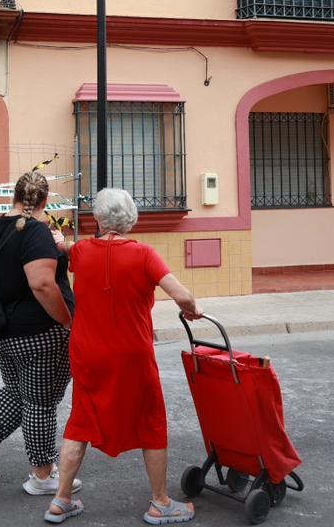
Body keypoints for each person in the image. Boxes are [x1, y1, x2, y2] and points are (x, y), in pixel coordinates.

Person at [43, 188, 203, 525]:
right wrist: (191, 309)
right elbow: (180, 294)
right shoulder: (144, 254)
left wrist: (60, 240)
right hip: (132, 355)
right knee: (150, 421)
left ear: (99, 220)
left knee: (80, 422)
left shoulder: (83, 251)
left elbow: (70, 248)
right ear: (130, 220)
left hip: (88, 353)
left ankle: (60, 500)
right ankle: (159, 502)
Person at [0, 169, 80, 497]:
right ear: (43, 200)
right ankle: (43, 474)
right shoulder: (37, 232)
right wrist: (67, 320)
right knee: (41, 402)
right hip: (39, 334)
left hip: (0, 332)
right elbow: (41, 283)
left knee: (17, 391)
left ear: (14, 195)